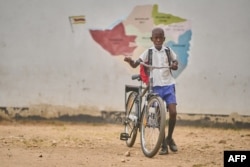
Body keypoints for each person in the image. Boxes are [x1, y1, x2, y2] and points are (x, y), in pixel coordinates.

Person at [124, 27, 178, 155]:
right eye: (156, 37)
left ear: (164, 39)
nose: (158, 40)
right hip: (156, 87)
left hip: (169, 84)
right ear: (152, 39)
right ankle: (163, 144)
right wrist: (131, 61)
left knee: (173, 112)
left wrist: (175, 64)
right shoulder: (148, 52)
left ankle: (169, 138)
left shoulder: (168, 51)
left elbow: (175, 61)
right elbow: (135, 64)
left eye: (160, 37)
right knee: (160, 116)